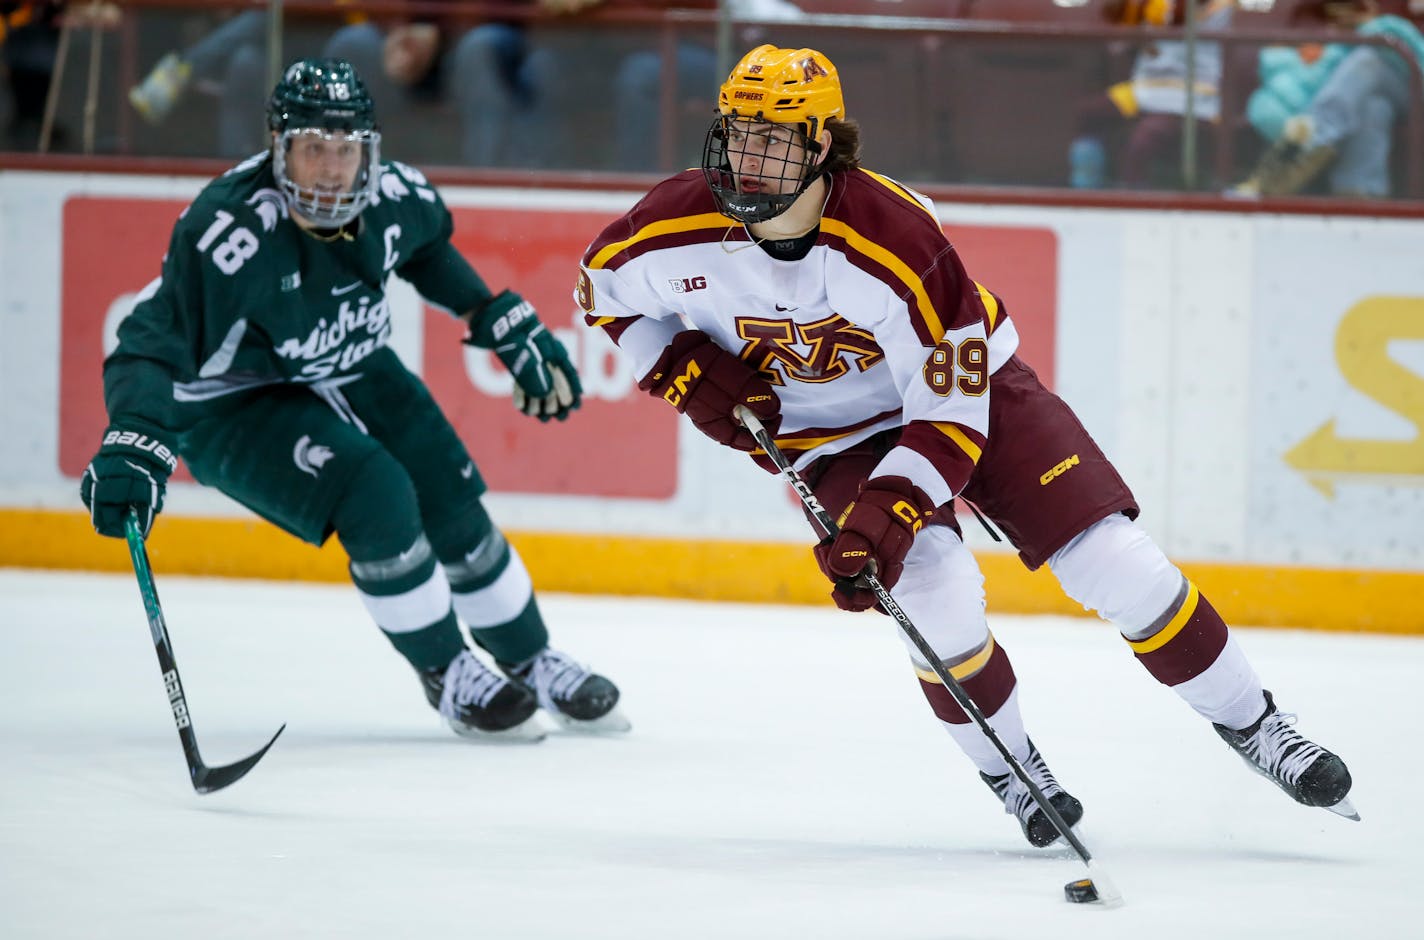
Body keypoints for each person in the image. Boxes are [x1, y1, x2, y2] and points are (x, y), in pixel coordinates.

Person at [578, 44, 1355, 845]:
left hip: (971, 399)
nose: (749, 155)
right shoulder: (672, 225)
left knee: (1115, 560)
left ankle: (1258, 726)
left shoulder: (895, 235)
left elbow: (949, 406)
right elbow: (598, 290)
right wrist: (674, 363)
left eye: (774, 138)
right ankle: (1015, 769)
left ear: (822, 146)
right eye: (739, 133)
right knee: (935, 594)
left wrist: (893, 507)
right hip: (831, 438)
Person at [82, 58, 628, 742]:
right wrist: (135, 433)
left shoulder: (393, 196)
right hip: (233, 400)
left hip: (349, 362)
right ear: (277, 149)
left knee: (450, 499)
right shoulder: (229, 232)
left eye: (346, 150)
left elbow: (425, 249)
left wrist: (492, 314)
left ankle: (528, 655)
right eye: (312, 149)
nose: (332, 170)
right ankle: (448, 672)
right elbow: (146, 342)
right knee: (377, 492)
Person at [322, 0, 602, 168]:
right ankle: (344, 170)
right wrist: (398, 26)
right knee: (353, 43)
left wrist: (441, 30)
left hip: (502, 38)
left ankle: (488, 183)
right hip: (416, 31)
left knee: (481, 48)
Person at [1232, 0, 1424, 197]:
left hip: (1411, 89)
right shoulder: (1304, 20)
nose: (1343, 12)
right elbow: (1291, 74)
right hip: (1342, 96)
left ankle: (1310, 143)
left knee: (1369, 59)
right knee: (1373, 107)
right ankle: (1357, 193)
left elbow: (1414, 52)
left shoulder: (1387, 23)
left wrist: (1366, 27)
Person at [1068, 0, 1236, 189]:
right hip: (1147, 86)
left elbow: (1184, 12)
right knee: (1089, 113)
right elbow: (1118, 43)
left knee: (1144, 139)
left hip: (1191, 92)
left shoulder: (1222, 7)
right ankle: (1087, 189)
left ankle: (1133, 201)